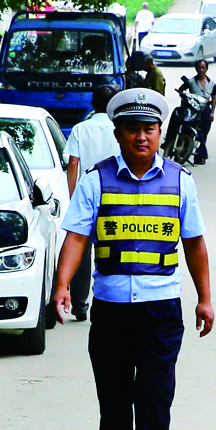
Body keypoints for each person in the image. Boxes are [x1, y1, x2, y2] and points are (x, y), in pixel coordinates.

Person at [51, 87, 214, 430]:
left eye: (149, 129)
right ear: (118, 134)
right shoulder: (96, 180)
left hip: (161, 311)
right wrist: (62, 285)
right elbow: (76, 237)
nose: (141, 137)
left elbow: (194, 244)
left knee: (155, 399)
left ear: (160, 133)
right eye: (132, 129)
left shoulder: (180, 181)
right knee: (115, 400)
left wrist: (205, 298)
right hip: (111, 311)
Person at [64, 84, 121, 321]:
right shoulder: (120, 129)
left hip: (87, 196)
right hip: (117, 196)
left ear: (92, 104)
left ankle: (79, 306)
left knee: (81, 250)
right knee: (114, 250)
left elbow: (73, 164)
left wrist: (73, 196)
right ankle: (113, 301)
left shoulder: (80, 129)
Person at [187, 59, 216, 165]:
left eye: (203, 68)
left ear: (206, 69)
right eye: (199, 68)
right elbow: (181, 91)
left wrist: (212, 112)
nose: (201, 70)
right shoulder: (191, 82)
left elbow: (214, 98)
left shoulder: (211, 83)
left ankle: (199, 156)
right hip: (194, 110)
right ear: (196, 69)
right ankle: (201, 155)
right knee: (197, 133)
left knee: (204, 133)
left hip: (206, 110)